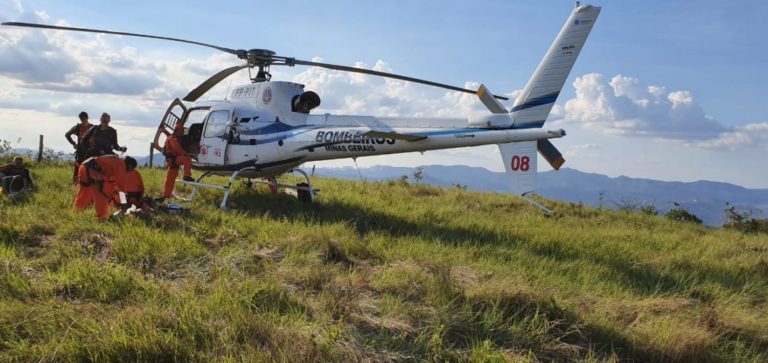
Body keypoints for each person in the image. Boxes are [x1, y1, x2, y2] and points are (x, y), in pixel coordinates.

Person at [73, 155, 133, 220]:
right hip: (93, 170)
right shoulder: (122, 165)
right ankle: (102, 218)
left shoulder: (116, 161)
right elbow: (121, 185)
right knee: (101, 195)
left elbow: (111, 181)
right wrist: (124, 203)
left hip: (84, 167)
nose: (128, 172)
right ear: (130, 166)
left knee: (84, 193)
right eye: (130, 170)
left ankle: (76, 213)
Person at [162, 125, 194, 198]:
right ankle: (186, 176)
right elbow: (176, 148)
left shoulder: (176, 138)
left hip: (172, 160)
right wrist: (184, 153)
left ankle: (166, 194)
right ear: (177, 131)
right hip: (173, 159)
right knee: (187, 159)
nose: (182, 132)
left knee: (170, 178)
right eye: (181, 131)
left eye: (183, 131)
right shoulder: (172, 138)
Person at [65, 111, 92, 183]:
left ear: (87, 118)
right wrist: (73, 144)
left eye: (84, 118)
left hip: (90, 152)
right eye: (81, 119)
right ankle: (74, 185)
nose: (83, 120)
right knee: (77, 169)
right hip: (80, 151)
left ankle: (87, 185)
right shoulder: (77, 127)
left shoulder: (92, 127)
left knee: (89, 169)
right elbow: (67, 134)